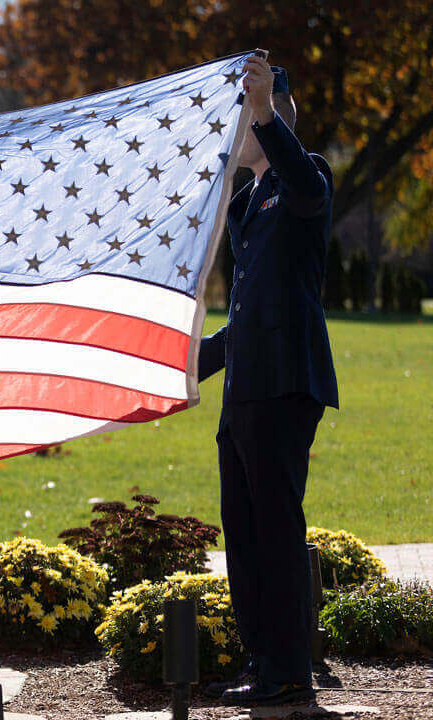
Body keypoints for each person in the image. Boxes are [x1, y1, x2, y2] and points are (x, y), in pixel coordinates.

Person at [197, 55, 338, 707]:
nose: (237, 130)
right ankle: (264, 663)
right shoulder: (251, 201)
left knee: (276, 531)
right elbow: (249, 318)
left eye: (248, 119)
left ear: (272, 117)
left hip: (284, 389)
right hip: (245, 393)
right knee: (245, 533)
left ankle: (287, 670)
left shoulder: (306, 182)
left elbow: (307, 186)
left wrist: (266, 114)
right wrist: (185, 359)